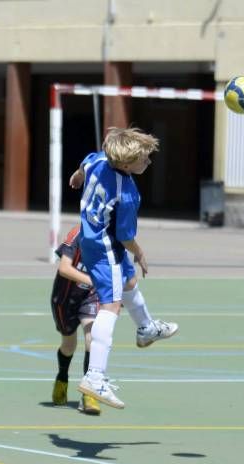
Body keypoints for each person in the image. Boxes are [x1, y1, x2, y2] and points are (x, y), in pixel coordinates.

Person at [69, 127, 179, 409]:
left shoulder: (98, 161)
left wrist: (79, 175)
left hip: (92, 237)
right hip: (105, 248)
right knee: (110, 306)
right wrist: (140, 253)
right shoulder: (127, 193)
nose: (149, 162)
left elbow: (86, 160)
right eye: (144, 159)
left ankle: (146, 328)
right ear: (127, 164)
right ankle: (94, 377)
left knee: (128, 283)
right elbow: (125, 236)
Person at [50, 224, 101, 415]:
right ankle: (62, 377)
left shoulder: (112, 237)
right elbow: (64, 268)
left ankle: (89, 393)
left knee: (93, 337)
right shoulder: (77, 234)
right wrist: (92, 280)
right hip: (65, 297)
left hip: (90, 295)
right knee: (69, 345)